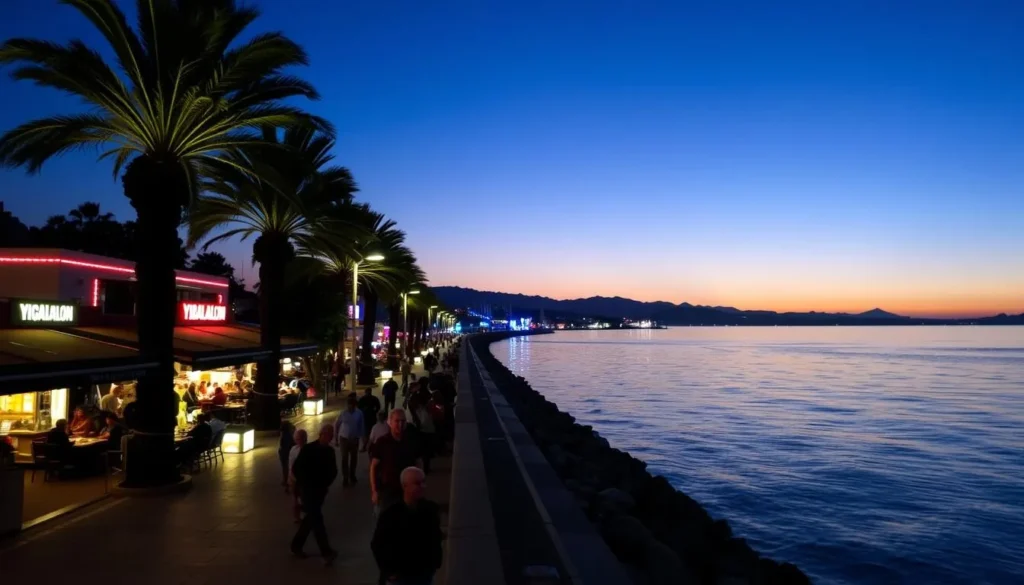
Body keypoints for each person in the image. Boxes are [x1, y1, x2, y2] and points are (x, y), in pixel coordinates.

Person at [371, 467, 443, 585]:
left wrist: (435, 562)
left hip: (423, 573)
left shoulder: (430, 510)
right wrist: (389, 571)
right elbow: (377, 544)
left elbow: (435, 538)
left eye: (423, 482)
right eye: (417, 483)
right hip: (401, 576)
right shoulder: (391, 515)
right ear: (404, 486)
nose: (423, 486)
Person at [290, 423, 338, 564]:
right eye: (329, 434)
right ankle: (326, 552)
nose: (331, 437)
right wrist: (304, 484)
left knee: (310, 519)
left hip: (320, 491)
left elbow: (333, 471)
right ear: (322, 434)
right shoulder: (309, 449)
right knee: (317, 520)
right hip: (308, 491)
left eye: (332, 434)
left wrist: (325, 484)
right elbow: (297, 468)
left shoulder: (330, 452)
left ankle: (296, 545)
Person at [369, 409, 420, 516]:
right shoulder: (382, 442)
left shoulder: (411, 441)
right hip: (388, 491)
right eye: (397, 421)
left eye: (403, 421)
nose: (400, 424)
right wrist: (374, 490)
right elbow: (374, 467)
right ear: (390, 422)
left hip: (407, 490)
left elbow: (417, 464)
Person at [333, 394, 364, 486]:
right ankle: (345, 477)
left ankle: (352, 475)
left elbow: (361, 427)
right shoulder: (343, 413)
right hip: (344, 438)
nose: (350, 406)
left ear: (354, 405)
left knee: (354, 458)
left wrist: (363, 440)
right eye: (348, 405)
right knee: (344, 458)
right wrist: (336, 438)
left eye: (352, 405)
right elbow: (337, 425)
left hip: (354, 439)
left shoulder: (359, 413)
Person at [408, 395, 436, 475]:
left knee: (423, 452)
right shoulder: (422, 410)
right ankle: (425, 468)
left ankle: (424, 468)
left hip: (423, 433)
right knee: (425, 452)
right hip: (426, 433)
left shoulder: (419, 410)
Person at [288, 428, 307, 522]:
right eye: (296, 439)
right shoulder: (293, 449)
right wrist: (290, 477)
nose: (297, 441)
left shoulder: (308, 450)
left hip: (304, 479)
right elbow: (290, 464)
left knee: (304, 498)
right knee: (295, 498)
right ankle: (297, 517)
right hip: (294, 478)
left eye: (299, 439)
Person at [358, 387, 382, 451]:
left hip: (367, 417)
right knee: (370, 431)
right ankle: (370, 445)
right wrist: (374, 411)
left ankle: (366, 445)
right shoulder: (374, 398)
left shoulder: (362, 399)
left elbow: (359, 408)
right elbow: (378, 407)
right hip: (371, 417)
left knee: (366, 432)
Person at [278, 421, 296, 488]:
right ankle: (288, 481)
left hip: (283, 452)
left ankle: (285, 480)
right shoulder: (289, 435)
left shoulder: (283, 434)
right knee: (289, 467)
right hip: (288, 452)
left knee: (285, 467)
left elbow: (282, 444)